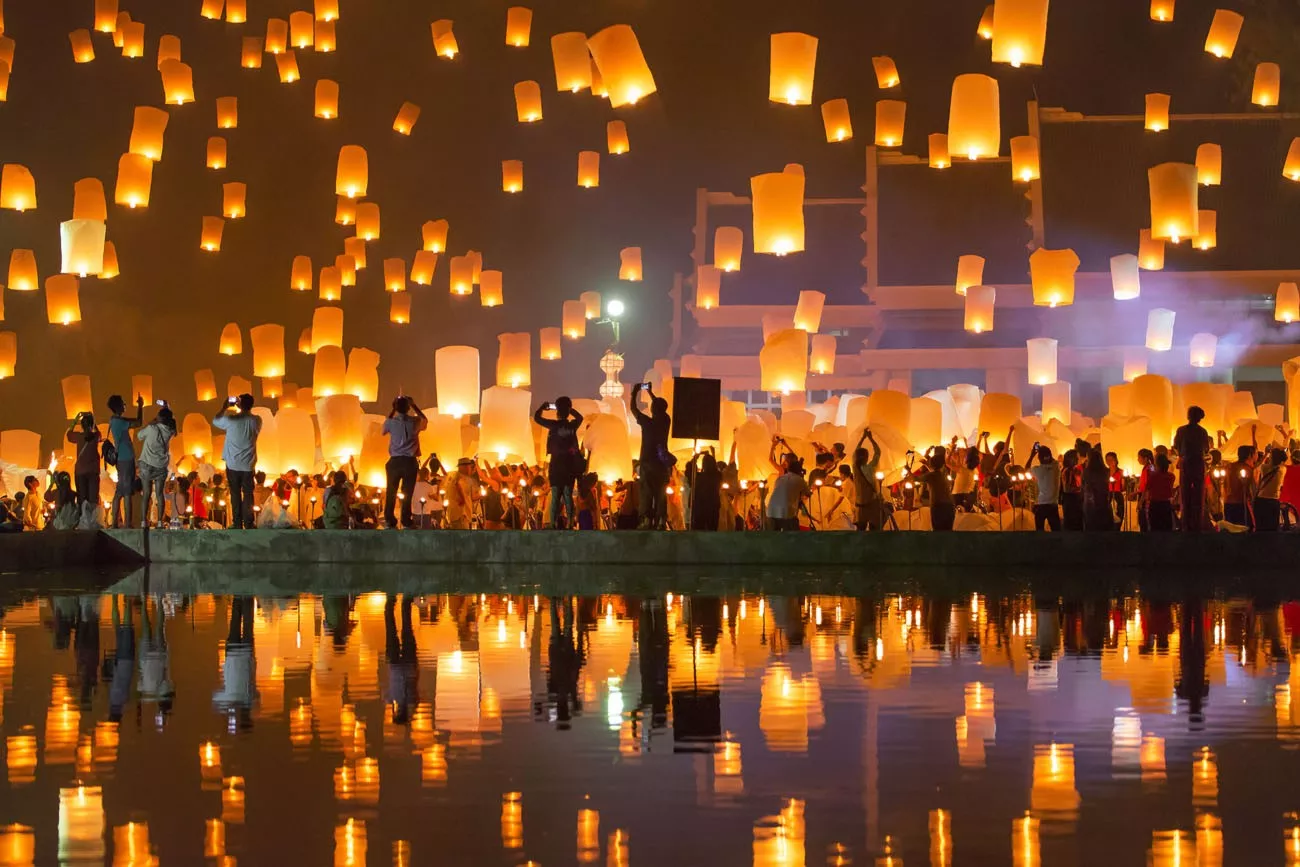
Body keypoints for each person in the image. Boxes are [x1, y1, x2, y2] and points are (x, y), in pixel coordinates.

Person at [211, 394, 263, 529]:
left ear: (239, 404)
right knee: (248, 494)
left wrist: (224, 407)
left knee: (235, 493)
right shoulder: (257, 420)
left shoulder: (231, 420)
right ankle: (249, 522)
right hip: (248, 464)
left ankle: (237, 523)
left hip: (233, 463)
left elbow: (216, 420)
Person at [534, 397, 585, 529]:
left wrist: (542, 407)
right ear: (567, 411)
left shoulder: (553, 425)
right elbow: (580, 418)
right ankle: (569, 522)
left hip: (556, 465)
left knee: (555, 494)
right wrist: (569, 409)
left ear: (557, 412)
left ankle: (552, 523)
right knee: (568, 494)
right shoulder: (572, 425)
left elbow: (537, 418)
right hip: (569, 465)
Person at [381, 395, 428, 529]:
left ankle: (390, 520)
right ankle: (406, 520)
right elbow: (425, 419)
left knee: (391, 491)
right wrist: (414, 405)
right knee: (408, 492)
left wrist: (392, 409)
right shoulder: (414, 421)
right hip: (409, 461)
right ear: (408, 408)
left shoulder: (391, 422)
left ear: (396, 408)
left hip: (394, 461)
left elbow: (383, 430)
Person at [630, 383, 672, 530]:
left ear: (653, 409)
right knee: (661, 494)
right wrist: (651, 393)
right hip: (661, 464)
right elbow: (660, 409)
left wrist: (634, 393)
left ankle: (646, 520)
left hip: (647, 463)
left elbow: (633, 409)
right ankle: (661, 521)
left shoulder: (647, 423)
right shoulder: (666, 421)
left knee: (646, 493)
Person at [105, 394, 145, 528]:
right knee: (127, 492)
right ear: (118, 406)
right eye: (123, 403)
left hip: (120, 459)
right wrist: (140, 406)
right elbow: (139, 422)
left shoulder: (113, 421)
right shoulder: (120, 422)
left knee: (119, 491)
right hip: (126, 458)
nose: (125, 405)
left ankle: (115, 523)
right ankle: (128, 523)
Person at [1173, 406, 1212, 532]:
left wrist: (1182, 455)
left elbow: (1176, 446)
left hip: (1186, 463)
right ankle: (1197, 524)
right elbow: (1206, 449)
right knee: (1199, 496)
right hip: (1199, 464)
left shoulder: (1181, 430)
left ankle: (1185, 525)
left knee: (1185, 495)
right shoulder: (1203, 432)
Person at [136, 406, 175, 528]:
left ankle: (144, 521)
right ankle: (159, 522)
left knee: (146, 493)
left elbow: (139, 436)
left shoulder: (152, 428)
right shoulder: (170, 431)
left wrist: (151, 422)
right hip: (161, 466)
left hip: (147, 464)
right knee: (159, 494)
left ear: (159, 417)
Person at [766, 438, 808, 531]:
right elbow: (794, 457)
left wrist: (773, 446)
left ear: (787, 462)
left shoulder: (782, 470)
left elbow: (770, 459)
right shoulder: (796, 473)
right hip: (792, 501)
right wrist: (786, 445)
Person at [66, 412, 103, 508]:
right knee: (93, 499)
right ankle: (92, 519)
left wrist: (75, 420)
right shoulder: (96, 436)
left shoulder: (78, 437)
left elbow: (69, 434)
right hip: (93, 470)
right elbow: (99, 433)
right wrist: (93, 418)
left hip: (80, 471)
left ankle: (82, 518)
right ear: (92, 424)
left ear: (81, 425)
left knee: (82, 498)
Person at [915, 448, 955, 531]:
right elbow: (933, 470)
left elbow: (916, 478)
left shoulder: (931, 476)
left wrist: (908, 470)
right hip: (949, 505)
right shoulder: (943, 474)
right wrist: (926, 463)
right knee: (948, 530)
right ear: (942, 465)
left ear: (932, 464)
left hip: (937, 505)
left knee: (937, 529)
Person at [852, 427, 884, 530]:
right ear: (867, 457)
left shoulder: (856, 468)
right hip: (872, 501)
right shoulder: (870, 467)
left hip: (862, 503)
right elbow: (878, 452)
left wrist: (863, 438)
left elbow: (855, 452)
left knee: (861, 528)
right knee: (873, 528)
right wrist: (870, 438)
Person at [1025, 444, 1062, 531]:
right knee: (1056, 531)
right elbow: (1050, 458)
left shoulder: (1038, 470)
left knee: (1040, 531)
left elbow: (1026, 468)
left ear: (1039, 458)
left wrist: (1032, 455)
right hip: (1053, 505)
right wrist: (1044, 452)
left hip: (1041, 505)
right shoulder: (1056, 466)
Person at [686, 451, 722, 531]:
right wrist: (711, 455)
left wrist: (695, 458)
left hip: (699, 506)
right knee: (712, 528)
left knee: (698, 528)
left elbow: (689, 471)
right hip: (713, 505)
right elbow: (716, 471)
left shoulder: (698, 478)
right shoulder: (717, 476)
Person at [1254, 447, 1287, 532]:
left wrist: (1266, 454)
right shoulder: (1283, 470)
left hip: (1261, 499)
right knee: (1272, 527)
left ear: (1271, 457)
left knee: (1261, 525)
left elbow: (1257, 467)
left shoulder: (1264, 468)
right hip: (1274, 500)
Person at [1082, 446, 1114, 531]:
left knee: (1091, 524)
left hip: (1090, 500)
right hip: (1103, 499)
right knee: (1103, 525)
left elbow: (1083, 485)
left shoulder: (1086, 472)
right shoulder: (1106, 471)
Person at [1224, 444, 1256, 529]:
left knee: (1230, 529)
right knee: (1245, 528)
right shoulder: (1247, 469)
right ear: (1250, 455)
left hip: (1228, 502)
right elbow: (1251, 488)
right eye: (1255, 453)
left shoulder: (1230, 467)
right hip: (1241, 503)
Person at [443, 458, 477, 530]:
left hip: (457, 515)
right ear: (465, 467)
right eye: (470, 467)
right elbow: (458, 485)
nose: (471, 469)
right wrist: (463, 499)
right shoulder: (460, 478)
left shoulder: (455, 476)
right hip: (460, 515)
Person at [1146, 454, 1177, 531]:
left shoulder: (1153, 476)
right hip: (1166, 504)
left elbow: (1147, 488)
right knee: (1166, 527)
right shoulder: (1171, 476)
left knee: (1155, 527)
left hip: (1155, 504)